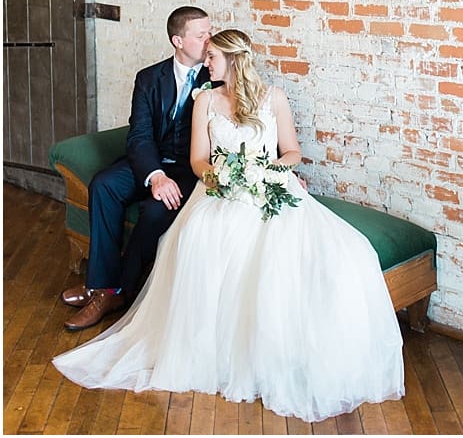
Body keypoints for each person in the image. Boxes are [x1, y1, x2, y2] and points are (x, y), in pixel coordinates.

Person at [54, 29, 406, 422]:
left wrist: (269, 171)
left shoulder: (274, 98)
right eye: (206, 56)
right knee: (200, 239)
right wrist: (223, 178)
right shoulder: (204, 100)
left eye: (213, 58)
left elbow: (291, 151)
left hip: (269, 186)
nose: (207, 63)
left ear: (233, 60)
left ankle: (281, 349)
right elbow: (198, 161)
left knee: (344, 251)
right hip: (220, 189)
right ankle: (202, 338)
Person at [60, 6, 212, 331]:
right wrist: (155, 175)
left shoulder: (217, 76)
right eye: (202, 35)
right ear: (178, 40)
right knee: (104, 184)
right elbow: (139, 135)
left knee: (157, 209)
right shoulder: (148, 78)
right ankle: (99, 284)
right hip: (150, 162)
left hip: (189, 171)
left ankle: (117, 292)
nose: (209, 41)